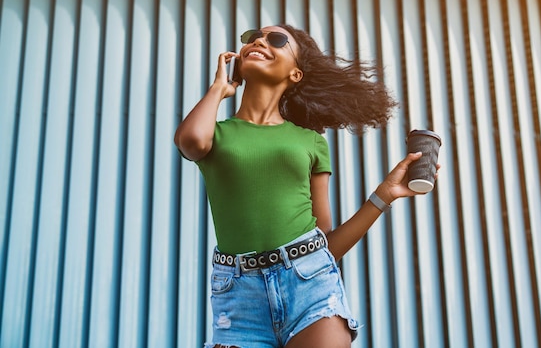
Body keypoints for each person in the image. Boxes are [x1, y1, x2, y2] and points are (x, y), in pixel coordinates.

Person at [174, 24, 440, 348]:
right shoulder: (217, 133)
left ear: (295, 74)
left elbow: (326, 244)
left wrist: (385, 194)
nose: (258, 41)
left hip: (310, 286)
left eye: (276, 40)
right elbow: (190, 142)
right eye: (252, 37)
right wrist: (218, 88)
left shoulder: (310, 141)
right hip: (239, 298)